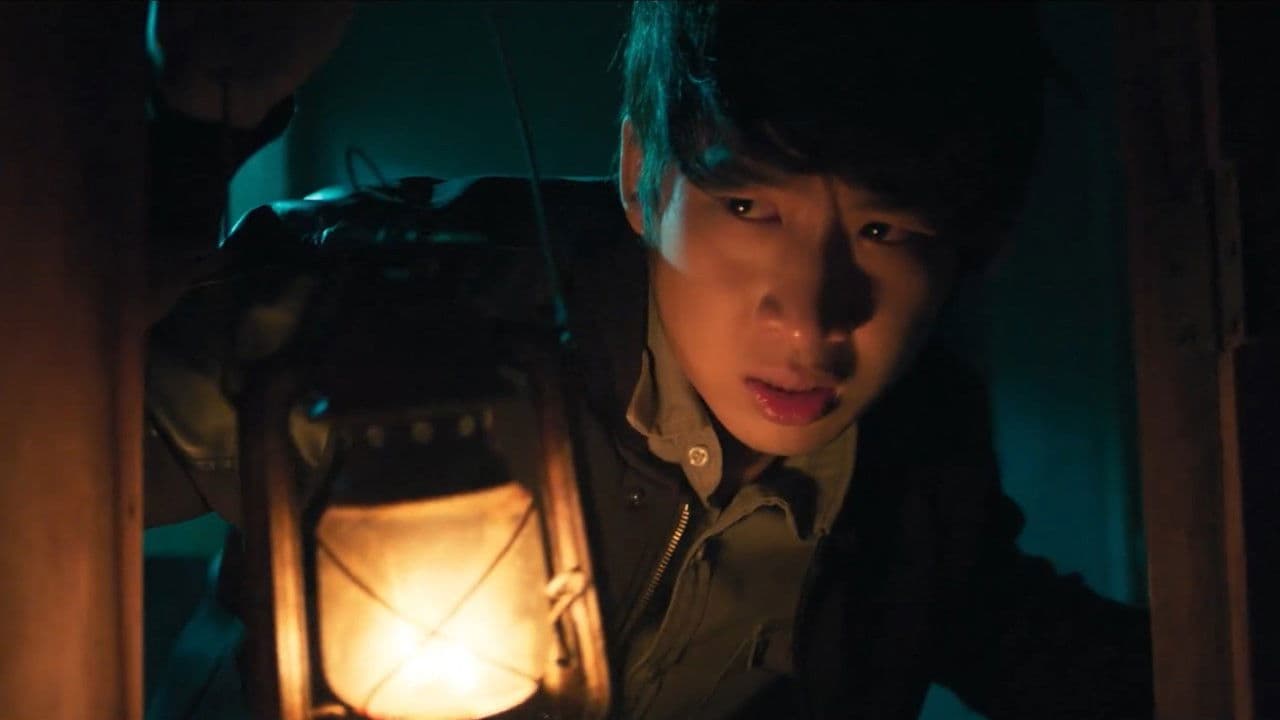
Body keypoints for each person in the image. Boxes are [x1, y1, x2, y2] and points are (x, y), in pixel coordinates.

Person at [144, 2, 1153, 718]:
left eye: (885, 231)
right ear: (639, 175)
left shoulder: (920, 461)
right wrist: (188, 132)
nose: (810, 322)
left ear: (978, 243)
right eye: (747, 207)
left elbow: (1038, 642)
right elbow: (78, 465)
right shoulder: (404, 301)